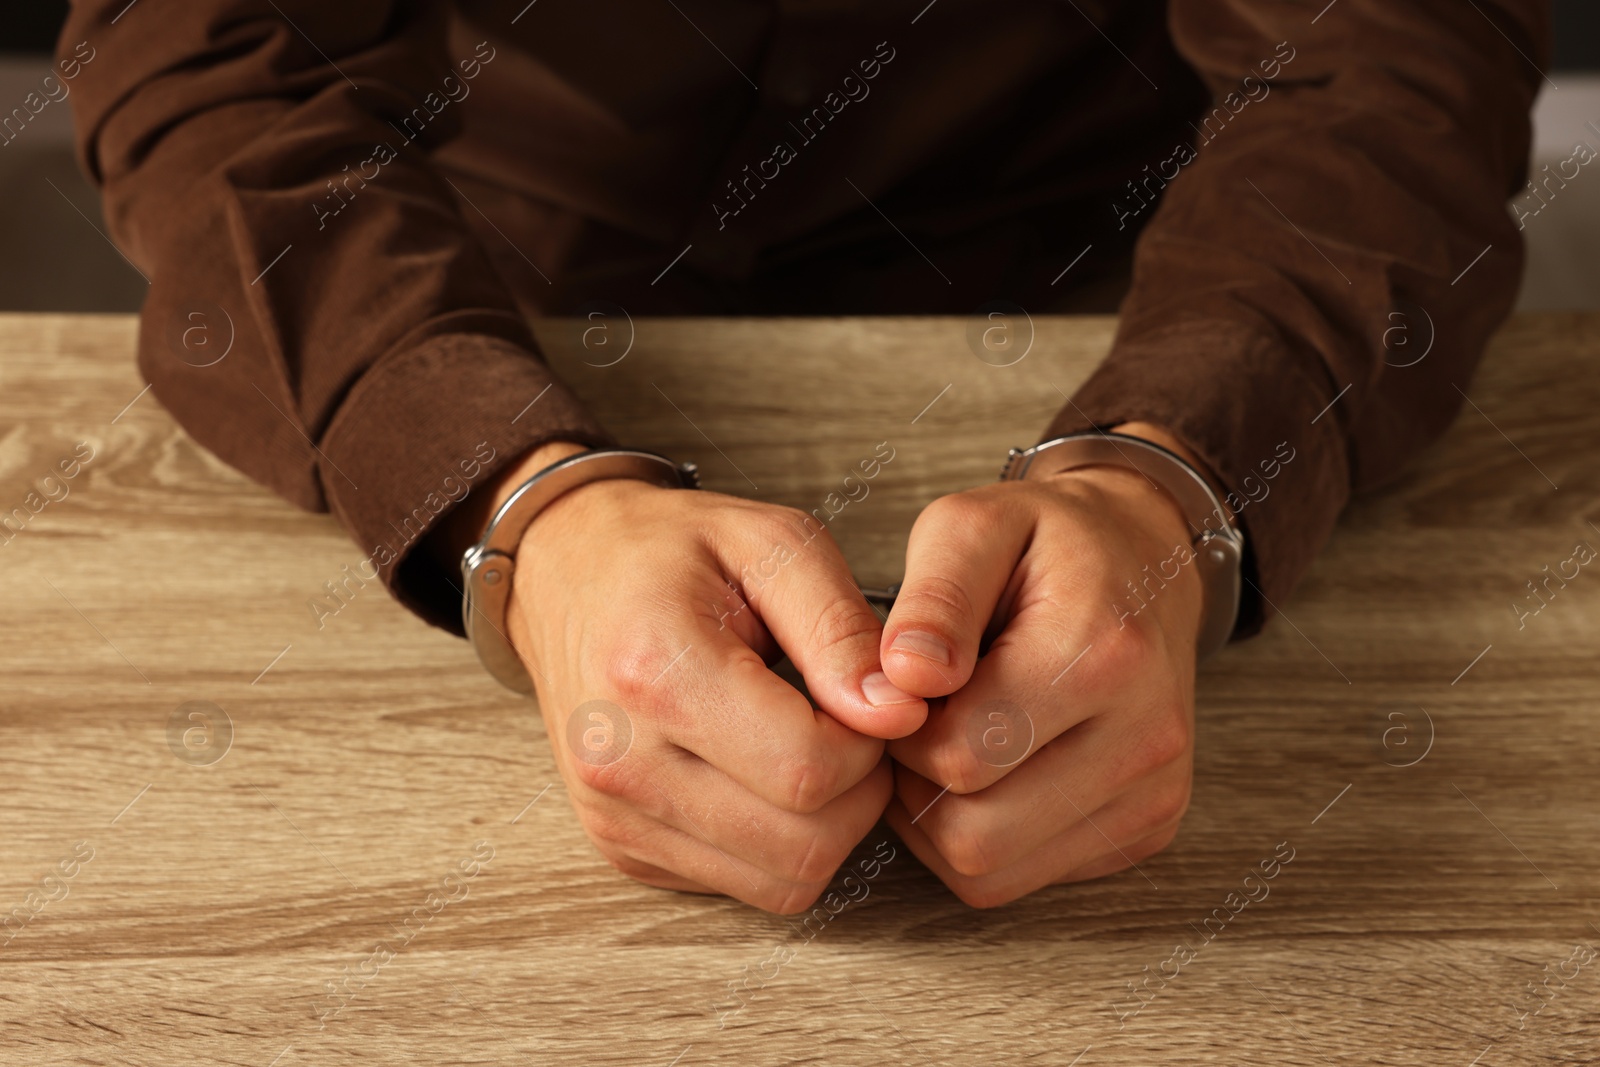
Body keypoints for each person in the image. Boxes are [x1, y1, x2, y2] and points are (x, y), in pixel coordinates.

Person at [61, 0, 1546, 911]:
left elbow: (1389, 48)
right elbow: (206, 47)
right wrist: (516, 501)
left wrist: (1182, 478)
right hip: (482, 264)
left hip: (1114, 257)